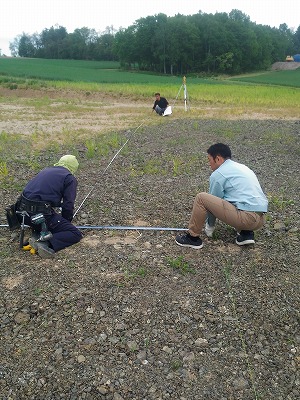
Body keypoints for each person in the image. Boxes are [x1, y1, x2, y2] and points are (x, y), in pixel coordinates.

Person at [175, 143, 268, 249]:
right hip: (261, 219)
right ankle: (246, 234)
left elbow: (212, 204)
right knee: (235, 197)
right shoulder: (242, 168)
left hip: (246, 218)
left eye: (209, 159)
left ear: (218, 159)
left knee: (201, 198)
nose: (209, 164)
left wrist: (209, 227)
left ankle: (192, 238)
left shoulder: (218, 174)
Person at [15, 155, 83, 258]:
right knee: (74, 234)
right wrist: (65, 223)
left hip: (22, 215)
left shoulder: (46, 170)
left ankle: (36, 235)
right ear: (73, 167)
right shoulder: (69, 178)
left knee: (46, 220)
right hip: (40, 216)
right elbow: (68, 204)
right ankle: (44, 243)